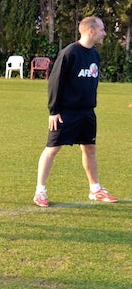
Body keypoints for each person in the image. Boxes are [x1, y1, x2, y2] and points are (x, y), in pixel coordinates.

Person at [33, 16, 118, 207]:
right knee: (52, 150)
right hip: (65, 113)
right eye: (102, 29)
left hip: (87, 113)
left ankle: (95, 189)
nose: (104, 33)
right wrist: (53, 111)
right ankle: (40, 191)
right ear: (91, 31)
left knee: (90, 149)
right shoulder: (69, 53)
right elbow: (55, 83)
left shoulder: (95, 55)